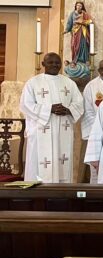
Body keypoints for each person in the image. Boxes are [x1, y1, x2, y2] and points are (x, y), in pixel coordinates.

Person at [21, 52, 84, 183]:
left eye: (57, 63)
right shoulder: (33, 82)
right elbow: (26, 105)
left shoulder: (69, 82)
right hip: (40, 130)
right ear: (43, 64)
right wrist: (50, 109)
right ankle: (36, 194)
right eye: (51, 62)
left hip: (63, 130)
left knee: (62, 162)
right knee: (39, 164)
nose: (54, 65)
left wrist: (68, 110)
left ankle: (61, 193)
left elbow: (79, 103)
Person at [63, 1, 92, 65]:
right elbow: (69, 23)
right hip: (75, 32)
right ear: (75, 6)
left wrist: (82, 22)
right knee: (74, 45)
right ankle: (75, 60)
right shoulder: (72, 14)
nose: (78, 7)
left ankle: (84, 60)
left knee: (83, 45)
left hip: (83, 32)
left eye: (80, 6)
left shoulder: (85, 14)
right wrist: (66, 30)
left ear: (82, 7)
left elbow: (90, 21)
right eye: (77, 5)